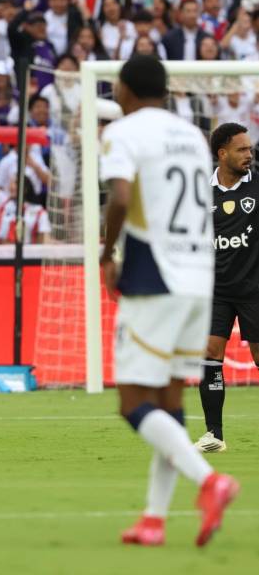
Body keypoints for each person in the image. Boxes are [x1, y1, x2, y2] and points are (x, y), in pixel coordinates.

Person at [99, 54, 238, 547]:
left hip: (152, 274)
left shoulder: (125, 132)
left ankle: (210, 481)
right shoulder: (190, 136)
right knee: (170, 402)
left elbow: (119, 197)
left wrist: (105, 253)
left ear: (127, 89)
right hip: (199, 277)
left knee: (132, 401)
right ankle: (154, 519)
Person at [196, 123, 259, 453]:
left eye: (250, 149)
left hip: (255, 287)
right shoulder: (199, 189)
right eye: (242, 149)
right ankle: (214, 434)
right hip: (216, 289)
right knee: (210, 353)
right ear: (222, 154)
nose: (249, 154)